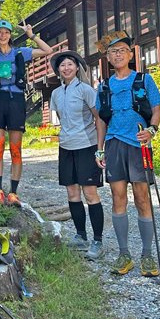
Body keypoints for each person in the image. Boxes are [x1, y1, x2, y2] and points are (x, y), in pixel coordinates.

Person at [94, 31, 160, 277]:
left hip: (138, 143)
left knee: (142, 197)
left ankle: (147, 255)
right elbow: (101, 121)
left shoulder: (144, 80)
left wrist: (151, 131)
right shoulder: (103, 86)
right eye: (113, 52)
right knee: (117, 197)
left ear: (130, 54)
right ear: (109, 59)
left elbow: (156, 109)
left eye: (122, 50)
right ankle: (124, 254)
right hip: (113, 144)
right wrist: (99, 149)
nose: (118, 55)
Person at [0, 18, 52, 206]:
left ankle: (13, 192)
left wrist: (32, 35)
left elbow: (48, 51)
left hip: (16, 101)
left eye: (6, 32)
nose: (3, 35)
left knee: (16, 148)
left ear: (10, 35)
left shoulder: (21, 53)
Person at [49, 50, 105, 260]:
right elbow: (63, 120)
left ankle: (97, 240)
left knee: (90, 194)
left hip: (87, 146)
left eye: (70, 64)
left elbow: (99, 119)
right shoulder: (56, 93)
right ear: (58, 70)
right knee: (72, 193)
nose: (66, 68)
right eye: (62, 65)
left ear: (77, 67)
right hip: (66, 147)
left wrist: (100, 148)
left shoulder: (86, 90)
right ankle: (81, 235)